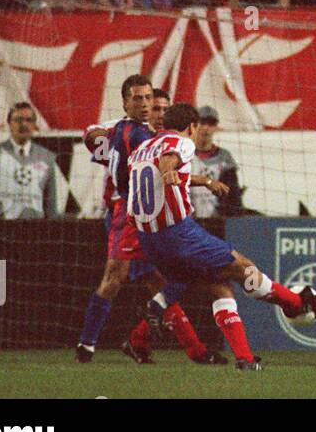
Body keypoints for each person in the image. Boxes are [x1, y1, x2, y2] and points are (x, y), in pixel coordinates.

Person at [128, 102, 316, 371]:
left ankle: (243, 358)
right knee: (241, 266)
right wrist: (168, 172)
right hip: (179, 233)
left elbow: (167, 173)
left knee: (217, 284)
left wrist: (206, 181)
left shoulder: (141, 149)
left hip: (149, 238)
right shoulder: (182, 143)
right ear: (192, 127)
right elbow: (170, 160)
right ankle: (295, 304)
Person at [75, 75, 224, 366]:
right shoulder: (129, 131)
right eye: (145, 103)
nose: (154, 111)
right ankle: (87, 345)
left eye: (159, 107)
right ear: (128, 102)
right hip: (126, 215)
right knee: (119, 279)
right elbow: (91, 132)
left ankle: (183, 348)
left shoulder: (163, 138)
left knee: (165, 281)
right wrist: (109, 151)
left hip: (152, 217)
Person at [0, 102, 59, 219]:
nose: (24, 124)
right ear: (9, 124)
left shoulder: (46, 157)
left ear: (34, 125)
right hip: (0, 232)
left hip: (37, 231)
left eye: (29, 120)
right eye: (18, 120)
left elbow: (51, 208)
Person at [188, 106, 244, 218]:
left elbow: (233, 195)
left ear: (215, 127)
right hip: (189, 220)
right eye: (202, 123)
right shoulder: (185, 155)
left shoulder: (224, 158)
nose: (206, 128)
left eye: (211, 124)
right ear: (194, 125)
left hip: (218, 221)